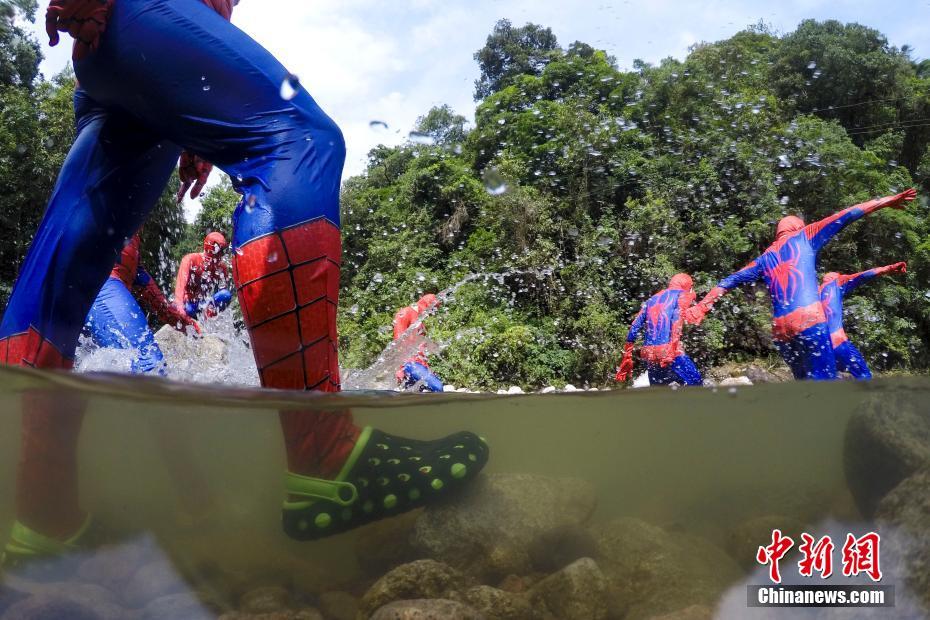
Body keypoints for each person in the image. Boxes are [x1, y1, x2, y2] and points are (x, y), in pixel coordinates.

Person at [0, 0, 488, 563]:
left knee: (68, 263)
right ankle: (323, 454)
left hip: (122, 54)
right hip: (134, 15)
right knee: (299, 141)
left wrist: (186, 121)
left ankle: (43, 518)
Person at [686, 190, 916, 380]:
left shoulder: (764, 258)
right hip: (808, 321)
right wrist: (886, 201)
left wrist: (702, 307)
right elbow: (848, 214)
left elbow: (729, 281)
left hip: (781, 331)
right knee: (825, 386)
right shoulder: (806, 235)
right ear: (798, 226)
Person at [85, 232, 199, 375]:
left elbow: (143, 281)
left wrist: (181, 320)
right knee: (150, 369)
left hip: (93, 294)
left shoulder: (133, 239)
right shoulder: (114, 219)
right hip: (97, 285)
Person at [819, 262, 907, 380]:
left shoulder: (816, 294)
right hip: (838, 343)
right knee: (864, 378)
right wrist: (889, 268)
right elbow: (864, 275)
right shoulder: (837, 282)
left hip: (821, 347)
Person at [615, 273, 703, 386]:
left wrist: (627, 357)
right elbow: (678, 321)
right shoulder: (683, 294)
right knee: (698, 386)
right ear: (687, 286)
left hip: (650, 355)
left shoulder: (651, 300)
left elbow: (633, 328)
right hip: (669, 353)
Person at [393, 293, 444, 392]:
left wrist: (427, 368)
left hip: (418, 364)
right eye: (435, 308)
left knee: (414, 396)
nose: (434, 313)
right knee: (438, 387)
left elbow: (420, 349)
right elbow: (398, 341)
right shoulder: (406, 312)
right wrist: (399, 368)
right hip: (409, 364)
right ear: (429, 305)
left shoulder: (420, 322)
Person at [174, 231, 232, 319]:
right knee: (185, 309)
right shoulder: (190, 259)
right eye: (220, 252)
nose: (221, 255)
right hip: (189, 304)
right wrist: (179, 305)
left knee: (226, 295)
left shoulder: (221, 267)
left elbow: (222, 294)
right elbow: (181, 284)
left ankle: (207, 319)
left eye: (222, 252)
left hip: (205, 303)